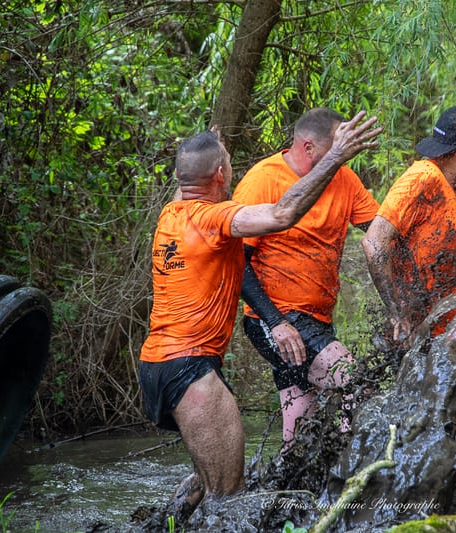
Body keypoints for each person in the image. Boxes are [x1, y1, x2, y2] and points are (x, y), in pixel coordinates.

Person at [138, 112, 381, 521]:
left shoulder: (170, 214)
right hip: (190, 369)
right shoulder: (216, 219)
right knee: (228, 500)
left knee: (205, 481)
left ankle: (160, 526)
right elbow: (283, 214)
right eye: (228, 162)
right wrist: (335, 155)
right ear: (220, 174)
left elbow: (191, 180)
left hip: (157, 366)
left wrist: (208, 145)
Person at [361, 102, 456, 483]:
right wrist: (398, 313)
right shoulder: (422, 178)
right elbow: (374, 244)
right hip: (425, 345)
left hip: (451, 345)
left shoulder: (449, 190)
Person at [232, 108, 380, 448]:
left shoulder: (345, 179)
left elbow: (380, 234)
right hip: (275, 320)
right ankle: (354, 469)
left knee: (301, 442)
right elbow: (235, 263)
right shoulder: (262, 181)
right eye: (337, 149)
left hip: (317, 319)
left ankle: (288, 493)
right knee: (357, 385)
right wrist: (276, 322)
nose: (342, 158)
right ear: (309, 147)